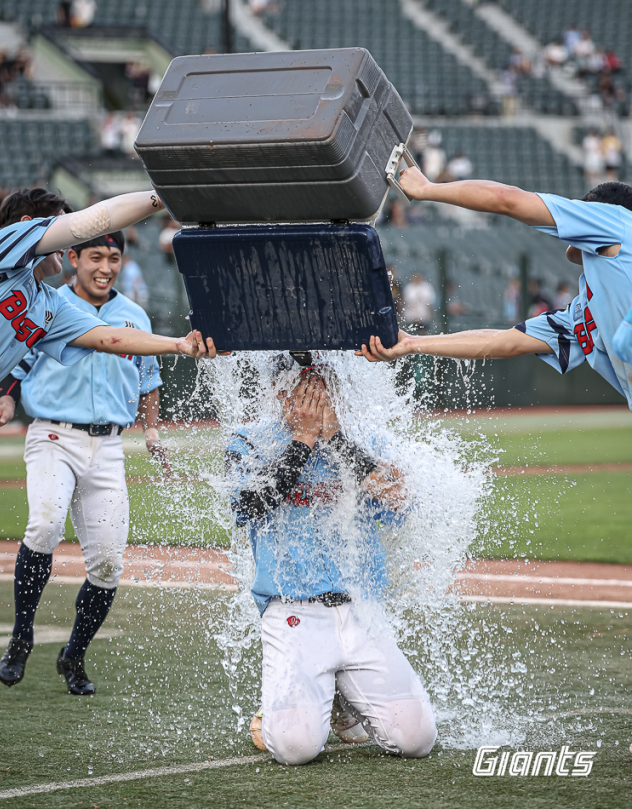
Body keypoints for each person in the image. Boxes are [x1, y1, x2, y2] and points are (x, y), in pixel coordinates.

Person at [226, 356, 437, 766]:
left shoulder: (364, 441)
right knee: (295, 748)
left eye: (323, 390)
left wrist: (337, 440)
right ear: (279, 392)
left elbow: (400, 499)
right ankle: (281, 707)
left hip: (361, 610)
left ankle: (342, 697)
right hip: (293, 610)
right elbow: (248, 506)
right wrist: (303, 443)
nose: (315, 401)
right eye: (306, 391)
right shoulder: (249, 440)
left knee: (417, 739)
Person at [0, 230, 170, 694]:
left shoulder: (133, 314)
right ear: (73, 257)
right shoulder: (46, 304)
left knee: (109, 563)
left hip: (108, 447)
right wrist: (7, 402)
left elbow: (147, 378)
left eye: (114, 258)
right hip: (53, 435)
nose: (105, 267)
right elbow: (15, 362)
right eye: (96, 256)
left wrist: (151, 429)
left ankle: (74, 655)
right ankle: (21, 635)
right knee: (45, 527)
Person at [358, 168, 632, 413]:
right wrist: (412, 344)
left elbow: (506, 198)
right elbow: (503, 342)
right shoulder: (583, 313)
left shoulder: (618, 222)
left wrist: (427, 189)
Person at [0, 186, 214, 405]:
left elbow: (108, 337)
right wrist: (168, 195)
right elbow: (91, 222)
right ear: (26, 225)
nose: (66, 239)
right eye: (57, 224)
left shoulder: (49, 303)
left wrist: (178, 344)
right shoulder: (1, 248)